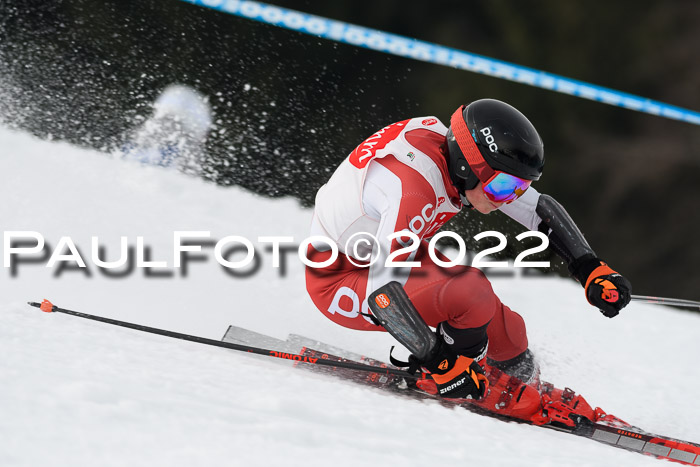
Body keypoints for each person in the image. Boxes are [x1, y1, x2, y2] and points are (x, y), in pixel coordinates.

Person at [305, 99, 631, 421]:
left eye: (521, 186)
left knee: (509, 332)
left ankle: (517, 382)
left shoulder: (457, 154)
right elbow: (381, 296)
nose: (510, 197)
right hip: (340, 278)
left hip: (380, 253)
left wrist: (590, 268)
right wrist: (439, 361)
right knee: (471, 293)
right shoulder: (412, 188)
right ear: (468, 167)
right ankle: (466, 378)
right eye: (505, 185)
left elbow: (536, 209)